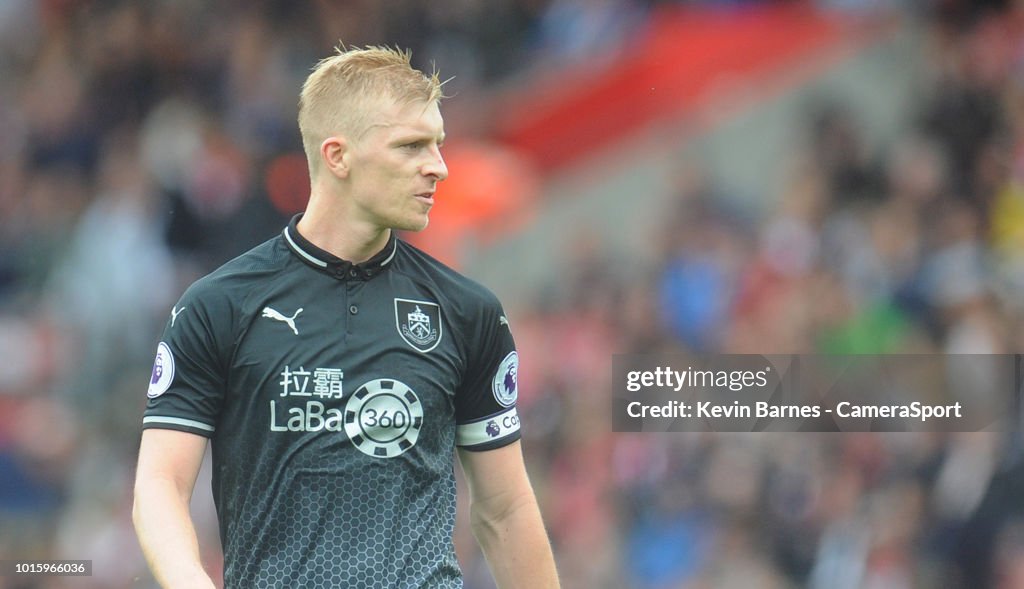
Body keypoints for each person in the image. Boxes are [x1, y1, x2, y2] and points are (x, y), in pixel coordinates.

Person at [132, 45, 560, 589]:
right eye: (411, 146)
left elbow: (505, 510)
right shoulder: (218, 306)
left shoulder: (468, 312)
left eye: (438, 145)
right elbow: (160, 486)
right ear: (338, 156)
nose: (440, 167)